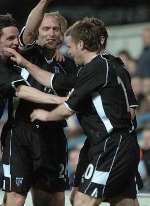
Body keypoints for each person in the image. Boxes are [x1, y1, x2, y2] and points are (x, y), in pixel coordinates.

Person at [29, 20, 140, 206]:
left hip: (112, 145)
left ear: (81, 44)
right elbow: (132, 109)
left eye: (70, 46)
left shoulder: (97, 67)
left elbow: (67, 109)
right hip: (100, 144)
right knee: (121, 200)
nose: (69, 51)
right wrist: (24, 62)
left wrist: (46, 115)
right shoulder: (107, 65)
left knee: (82, 201)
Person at [2, 1, 77, 206]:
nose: (51, 33)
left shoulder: (69, 65)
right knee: (16, 198)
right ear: (37, 31)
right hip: (20, 134)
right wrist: (44, 2)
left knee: (52, 200)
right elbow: (29, 29)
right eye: (45, 28)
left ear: (62, 35)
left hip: (52, 136)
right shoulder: (25, 52)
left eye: (56, 29)